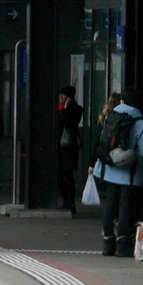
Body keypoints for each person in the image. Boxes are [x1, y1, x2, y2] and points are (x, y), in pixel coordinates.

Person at [91, 86, 143, 257]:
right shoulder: (140, 122)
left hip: (108, 169)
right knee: (125, 208)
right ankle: (122, 245)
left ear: (122, 101)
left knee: (110, 206)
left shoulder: (111, 115)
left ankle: (108, 243)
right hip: (129, 174)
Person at [56, 85, 84, 215]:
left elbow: (66, 122)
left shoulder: (75, 110)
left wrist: (66, 108)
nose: (61, 97)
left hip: (69, 146)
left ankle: (70, 202)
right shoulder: (58, 108)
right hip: (60, 146)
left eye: (64, 96)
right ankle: (65, 200)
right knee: (59, 174)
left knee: (68, 174)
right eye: (60, 95)